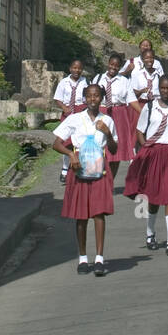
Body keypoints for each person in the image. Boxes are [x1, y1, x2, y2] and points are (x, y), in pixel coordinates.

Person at [124, 74, 168, 256]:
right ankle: (150, 233)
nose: (165, 91)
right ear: (158, 89)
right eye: (162, 88)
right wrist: (146, 146)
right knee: (153, 197)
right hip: (153, 153)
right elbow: (140, 131)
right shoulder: (149, 107)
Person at [52, 83, 118, 275]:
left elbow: (113, 149)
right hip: (79, 167)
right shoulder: (74, 119)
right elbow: (56, 144)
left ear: (101, 98)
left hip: (99, 168)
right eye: (89, 96)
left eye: (96, 96)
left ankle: (99, 258)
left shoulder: (107, 120)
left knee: (99, 213)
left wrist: (107, 133)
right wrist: (71, 155)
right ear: (84, 98)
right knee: (81, 216)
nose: (92, 99)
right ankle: (82, 257)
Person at [92, 52, 135, 176]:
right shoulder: (98, 78)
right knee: (99, 146)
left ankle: (110, 180)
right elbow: (90, 98)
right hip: (101, 112)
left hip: (119, 114)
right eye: (111, 64)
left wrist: (145, 112)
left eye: (116, 66)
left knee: (116, 149)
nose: (113, 67)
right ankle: (98, 177)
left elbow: (132, 100)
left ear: (120, 67)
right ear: (108, 64)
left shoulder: (124, 81)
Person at [53, 59, 88, 185]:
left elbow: (88, 97)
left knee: (78, 141)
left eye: (79, 68)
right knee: (66, 142)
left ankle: (79, 167)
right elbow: (58, 98)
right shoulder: (64, 82)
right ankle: (64, 169)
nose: (76, 70)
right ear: (70, 68)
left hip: (80, 110)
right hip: (68, 112)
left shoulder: (85, 82)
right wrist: (64, 108)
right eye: (74, 68)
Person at [127, 47, 163, 128]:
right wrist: (140, 91)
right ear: (142, 60)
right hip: (141, 105)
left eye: (151, 58)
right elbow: (132, 93)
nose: (149, 60)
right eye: (146, 58)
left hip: (156, 105)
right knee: (139, 131)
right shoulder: (137, 74)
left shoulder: (159, 74)